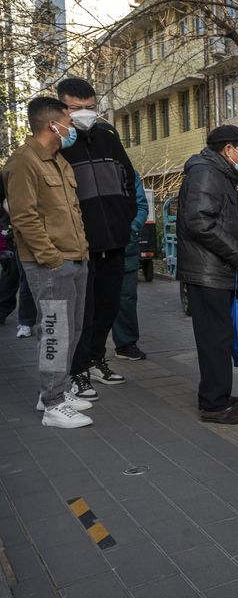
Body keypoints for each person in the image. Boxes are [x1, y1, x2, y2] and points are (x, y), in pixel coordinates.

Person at [1, 97, 93, 428]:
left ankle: (54, 391)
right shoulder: (24, 162)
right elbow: (23, 218)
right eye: (68, 119)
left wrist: (80, 250)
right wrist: (51, 257)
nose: (72, 126)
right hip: (51, 264)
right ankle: (53, 405)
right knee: (56, 332)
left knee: (74, 329)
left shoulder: (57, 160)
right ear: (52, 124)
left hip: (76, 257)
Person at [56, 78, 137, 401]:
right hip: (80, 246)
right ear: (62, 108)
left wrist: (124, 218)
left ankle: (95, 359)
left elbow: (128, 179)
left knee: (107, 307)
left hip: (114, 240)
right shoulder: (59, 143)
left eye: (90, 108)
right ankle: (77, 371)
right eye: (76, 109)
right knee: (82, 314)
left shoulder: (108, 136)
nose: (85, 114)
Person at [176, 125, 238, 424]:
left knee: (219, 338)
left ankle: (218, 393)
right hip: (207, 272)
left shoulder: (216, 173)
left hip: (213, 269)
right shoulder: (206, 173)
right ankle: (213, 404)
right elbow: (199, 221)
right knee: (214, 340)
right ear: (228, 149)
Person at [110, 172, 150, 360]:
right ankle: (91, 356)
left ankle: (126, 344)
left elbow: (141, 206)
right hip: (93, 246)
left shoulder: (127, 172)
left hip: (126, 246)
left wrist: (131, 229)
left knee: (126, 298)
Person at [0, 180, 39, 337]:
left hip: (19, 234)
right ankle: (25, 321)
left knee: (21, 278)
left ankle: (25, 321)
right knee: (16, 277)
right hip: (13, 234)